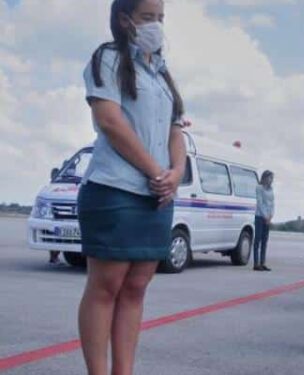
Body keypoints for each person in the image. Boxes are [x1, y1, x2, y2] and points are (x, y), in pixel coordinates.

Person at [78, 1, 187, 374]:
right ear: (125, 20)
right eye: (147, 17)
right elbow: (109, 121)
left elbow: (176, 130)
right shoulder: (108, 58)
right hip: (116, 190)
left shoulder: (162, 72)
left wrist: (176, 171)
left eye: (161, 18)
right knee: (105, 286)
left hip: (157, 196)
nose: (156, 25)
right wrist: (156, 170)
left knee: (136, 288)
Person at [253, 170, 274, 271]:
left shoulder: (271, 189)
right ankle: (256, 263)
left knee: (265, 241)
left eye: (272, 178)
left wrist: (271, 216)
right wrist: (265, 216)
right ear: (265, 178)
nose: (271, 180)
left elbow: (272, 203)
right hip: (260, 217)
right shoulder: (259, 188)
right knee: (257, 240)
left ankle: (263, 262)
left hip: (268, 218)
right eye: (270, 178)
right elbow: (260, 203)